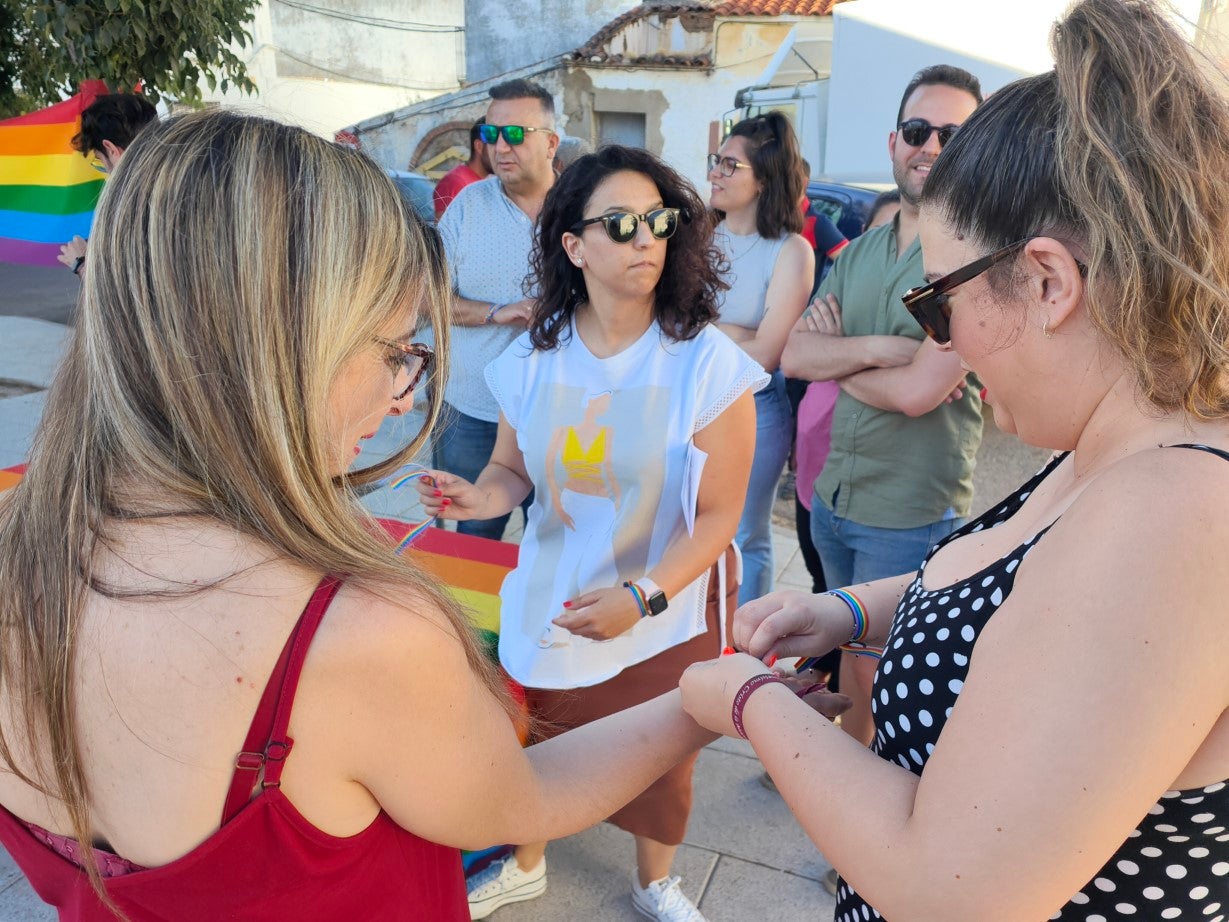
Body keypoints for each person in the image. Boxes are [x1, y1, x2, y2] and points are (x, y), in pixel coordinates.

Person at [0, 111, 728, 920]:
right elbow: (519, 800)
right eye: (391, 349)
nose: (404, 392)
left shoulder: (20, 551)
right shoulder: (361, 633)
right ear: (285, 341)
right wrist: (714, 701)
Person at [680, 1, 1229, 919]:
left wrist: (745, 703)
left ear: (1049, 281)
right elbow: (1017, 603)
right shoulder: (1123, 454)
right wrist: (846, 611)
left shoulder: (1172, 510)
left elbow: (953, 888)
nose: (941, 338)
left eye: (938, 301)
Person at [418, 145, 766, 922]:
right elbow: (513, 475)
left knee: (659, 761)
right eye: (619, 223)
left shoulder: (705, 365)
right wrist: (476, 497)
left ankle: (654, 882)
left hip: (664, 601)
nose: (645, 237)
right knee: (543, 737)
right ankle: (529, 858)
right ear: (573, 246)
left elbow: (717, 518)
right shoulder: (532, 359)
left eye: (656, 221)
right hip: (559, 594)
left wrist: (640, 598)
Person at [781, 65, 984, 747]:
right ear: (893, 142)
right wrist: (880, 348)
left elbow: (917, 393)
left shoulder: (974, 261)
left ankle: (858, 821)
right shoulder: (861, 248)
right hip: (833, 496)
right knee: (845, 658)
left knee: (876, 671)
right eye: (916, 130)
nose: (928, 146)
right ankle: (835, 772)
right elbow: (794, 357)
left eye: (950, 134)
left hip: (906, 510)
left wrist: (839, 359)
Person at [435, 78, 560, 541]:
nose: (500, 147)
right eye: (491, 135)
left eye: (514, 134)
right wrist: (497, 311)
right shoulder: (468, 206)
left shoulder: (582, 207)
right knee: (472, 535)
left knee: (552, 541)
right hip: (473, 412)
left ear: (550, 142)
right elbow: (430, 298)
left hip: (558, 414)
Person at [708, 112, 815, 606]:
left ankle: (747, 646)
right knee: (687, 529)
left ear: (764, 181)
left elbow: (766, 355)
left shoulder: (790, 251)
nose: (716, 173)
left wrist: (703, 330)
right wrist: (738, 330)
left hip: (754, 409)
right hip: (688, 404)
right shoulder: (695, 238)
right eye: (717, 162)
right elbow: (662, 329)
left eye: (731, 165)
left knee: (746, 538)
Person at [56, 93, 157, 278]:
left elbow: (126, 295)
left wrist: (80, 264)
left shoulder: (134, 205)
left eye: (100, 161)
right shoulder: (184, 182)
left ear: (111, 149)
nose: (106, 175)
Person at [433, 117, 492, 219]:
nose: (501, 152)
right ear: (479, 146)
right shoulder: (455, 183)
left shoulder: (488, 182)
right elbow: (444, 232)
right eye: (494, 146)